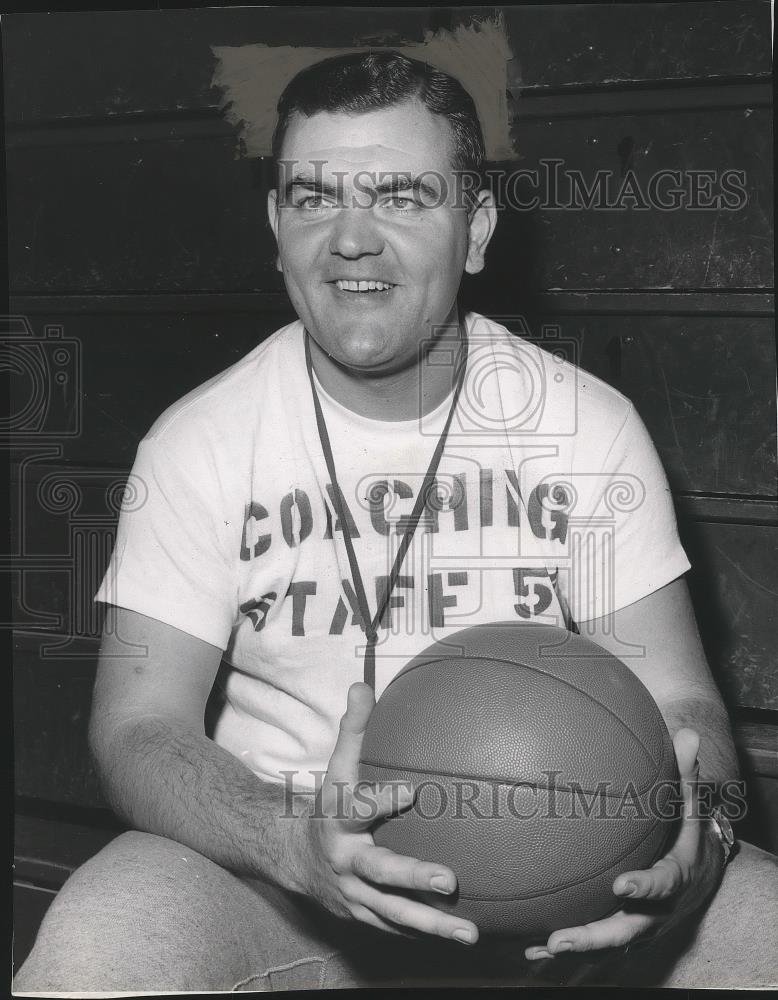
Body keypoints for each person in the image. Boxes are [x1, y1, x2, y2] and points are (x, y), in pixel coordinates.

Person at [15, 50, 777, 992]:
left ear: (477, 229)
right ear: (275, 226)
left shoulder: (586, 426)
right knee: (97, 951)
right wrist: (288, 840)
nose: (350, 239)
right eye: (312, 197)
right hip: (279, 866)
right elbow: (134, 727)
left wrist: (702, 832)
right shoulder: (198, 443)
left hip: (569, 868)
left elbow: (686, 709)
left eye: (402, 195)